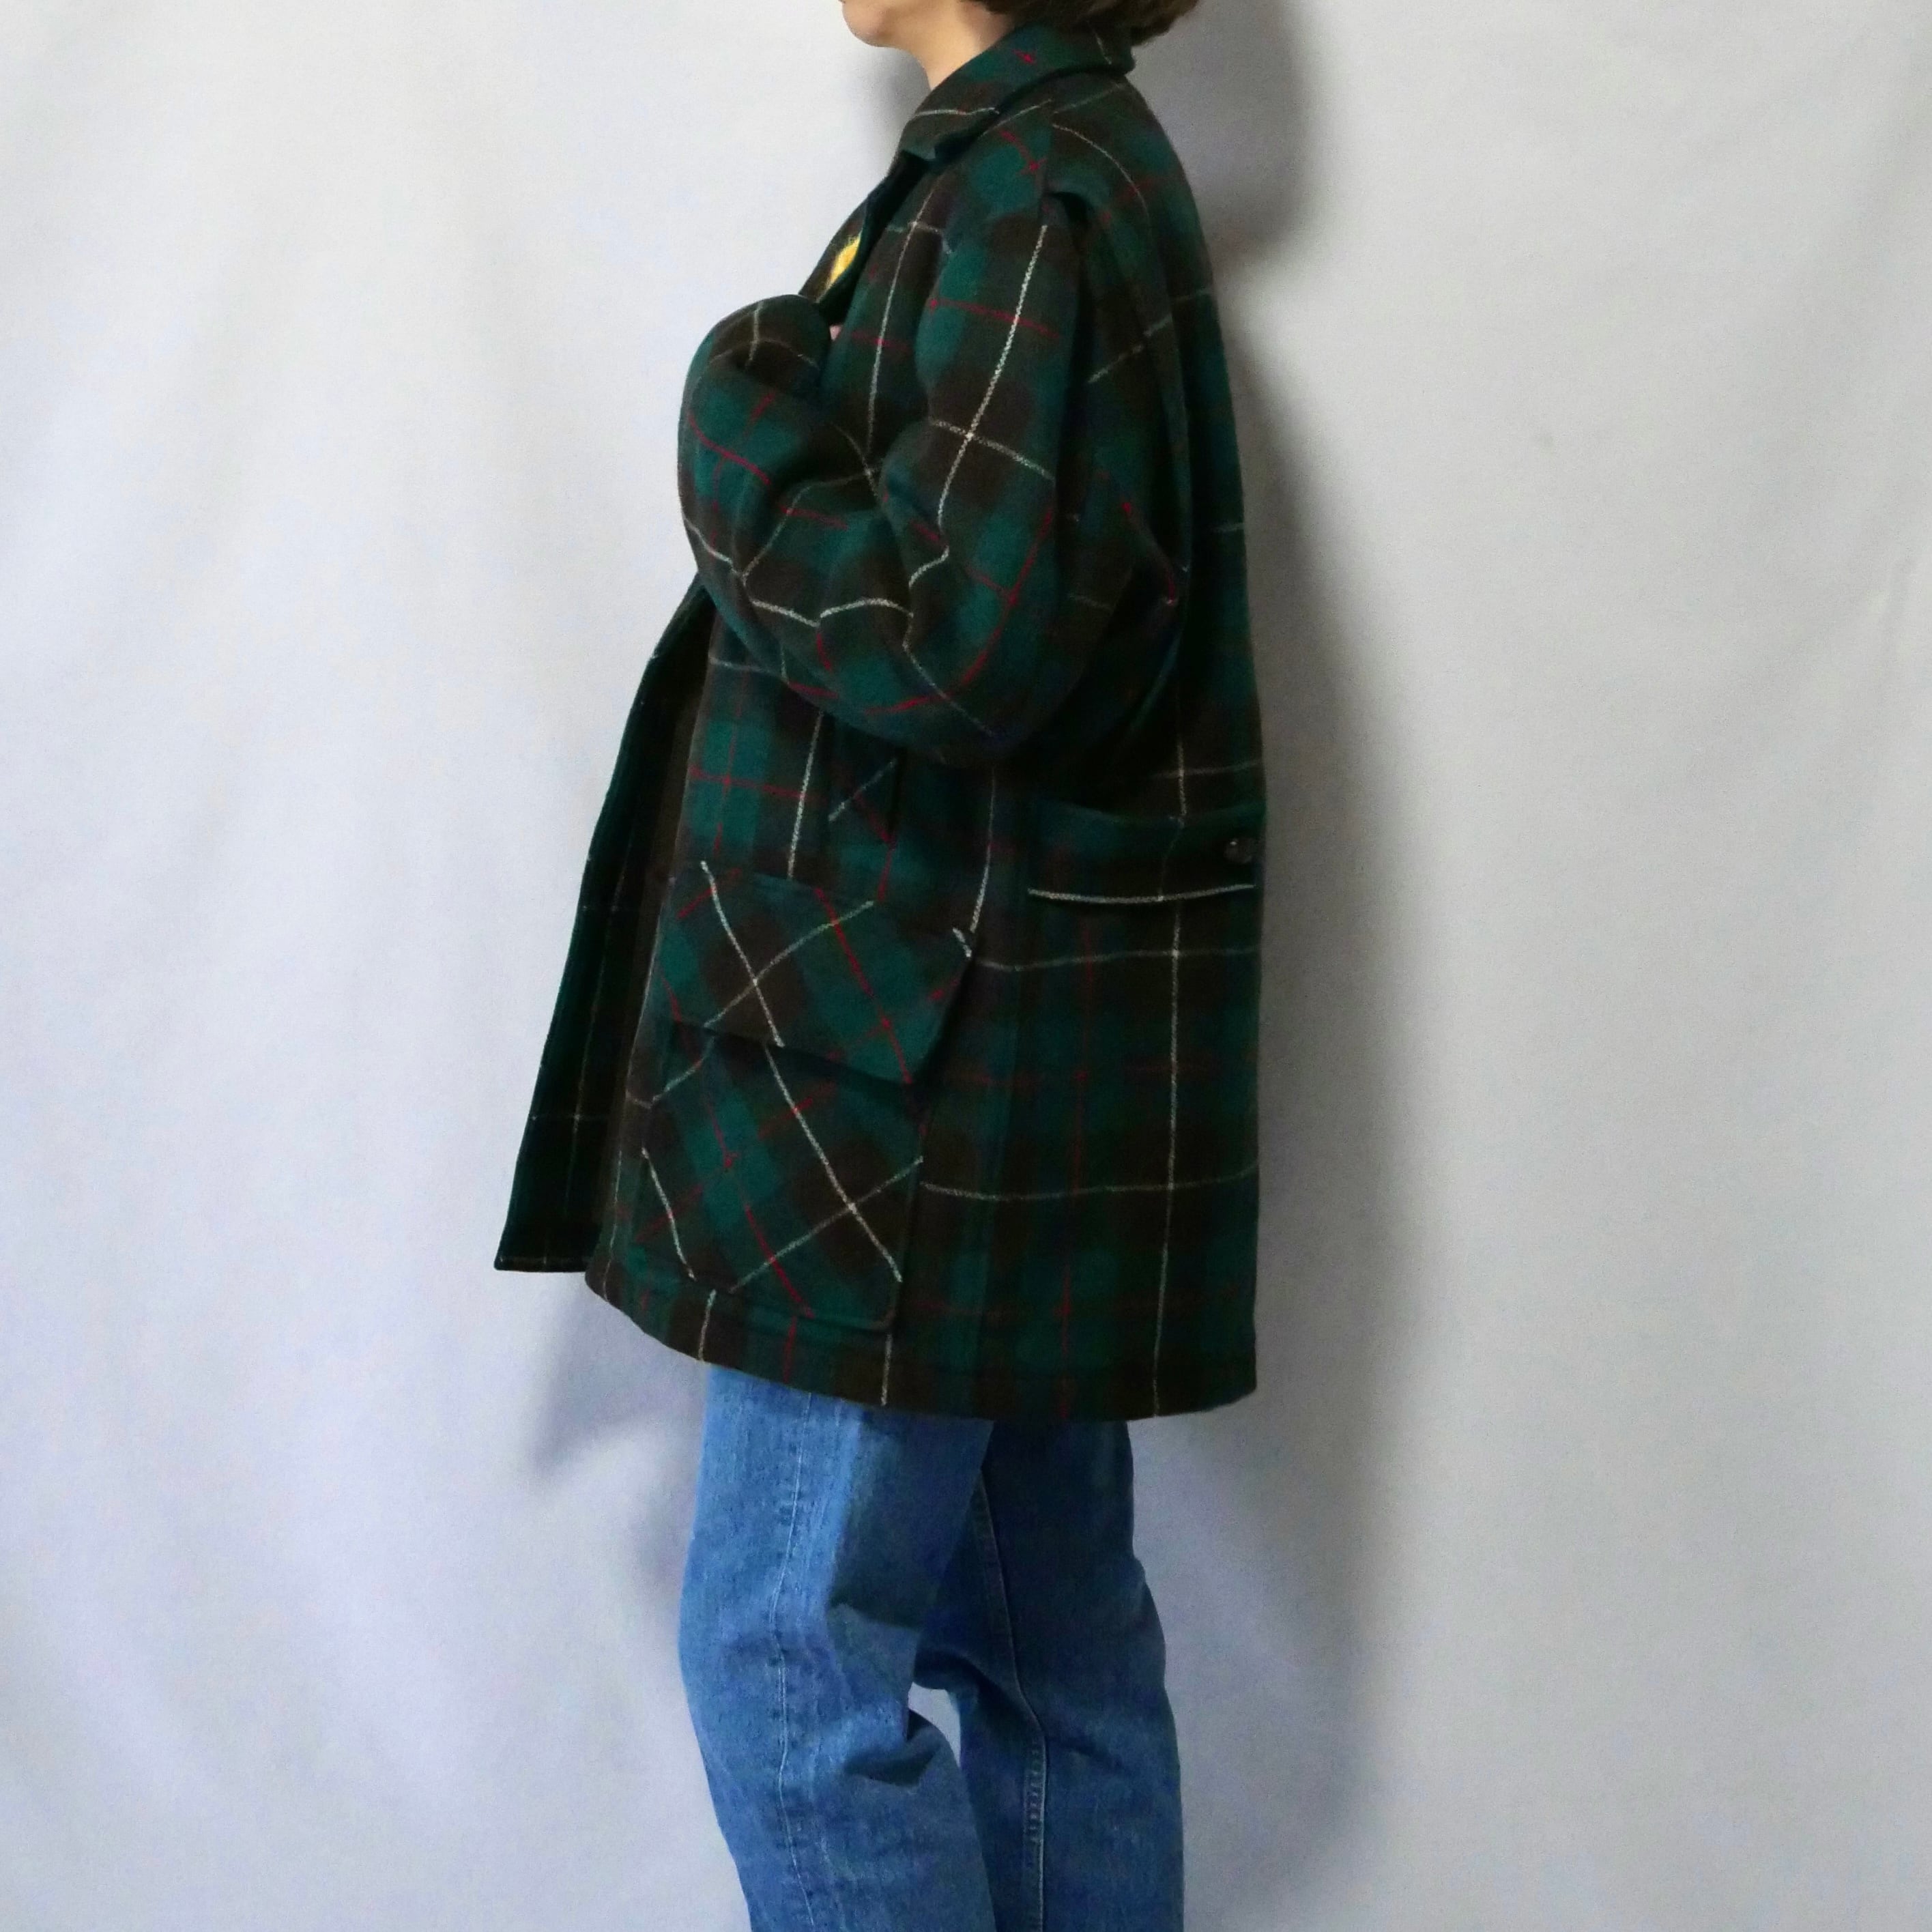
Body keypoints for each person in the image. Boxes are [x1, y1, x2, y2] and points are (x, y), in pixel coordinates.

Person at [495, 1, 1265, 1924]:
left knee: (782, 1659)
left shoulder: (1029, 199)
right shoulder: (1044, 173)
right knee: (1051, 1653)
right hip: (963, 1058)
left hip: (910, 1088)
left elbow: (947, 637)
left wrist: (738, 410)